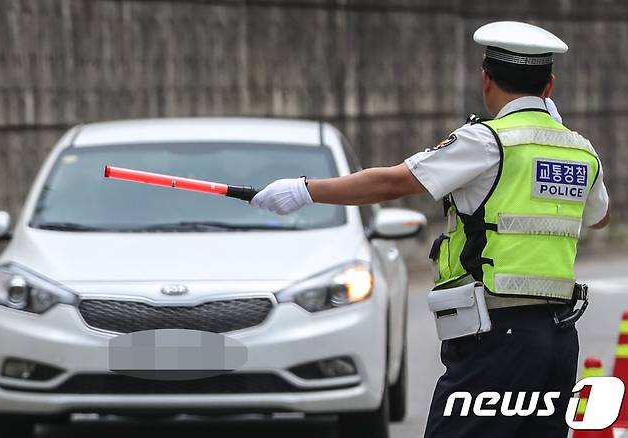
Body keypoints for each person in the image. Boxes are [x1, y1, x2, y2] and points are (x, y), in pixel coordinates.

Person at [251, 21, 610, 438]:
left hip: (497, 339)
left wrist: (304, 190)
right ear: (549, 86)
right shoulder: (580, 149)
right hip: (558, 340)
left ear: (485, 80)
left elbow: (393, 182)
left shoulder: (487, 142)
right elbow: (598, 216)